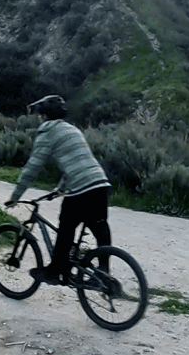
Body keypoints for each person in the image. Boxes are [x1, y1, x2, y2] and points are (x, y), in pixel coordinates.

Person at [6, 95, 111, 285]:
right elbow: (74, 163)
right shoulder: (72, 129)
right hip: (100, 183)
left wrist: (15, 196)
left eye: (39, 115)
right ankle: (104, 273)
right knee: (100, 226)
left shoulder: (47, 132)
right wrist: (61, 189)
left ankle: (55, 272)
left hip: (81, 189)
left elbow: (32, 168)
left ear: (44, 115)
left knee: (66, 228)